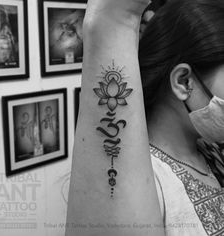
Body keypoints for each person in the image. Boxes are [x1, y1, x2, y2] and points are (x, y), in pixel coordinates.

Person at [66, 0, 224, 235]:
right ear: (184, 82)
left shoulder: (212, 152)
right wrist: (115, 20)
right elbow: (110, 20)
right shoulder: (147, 179)